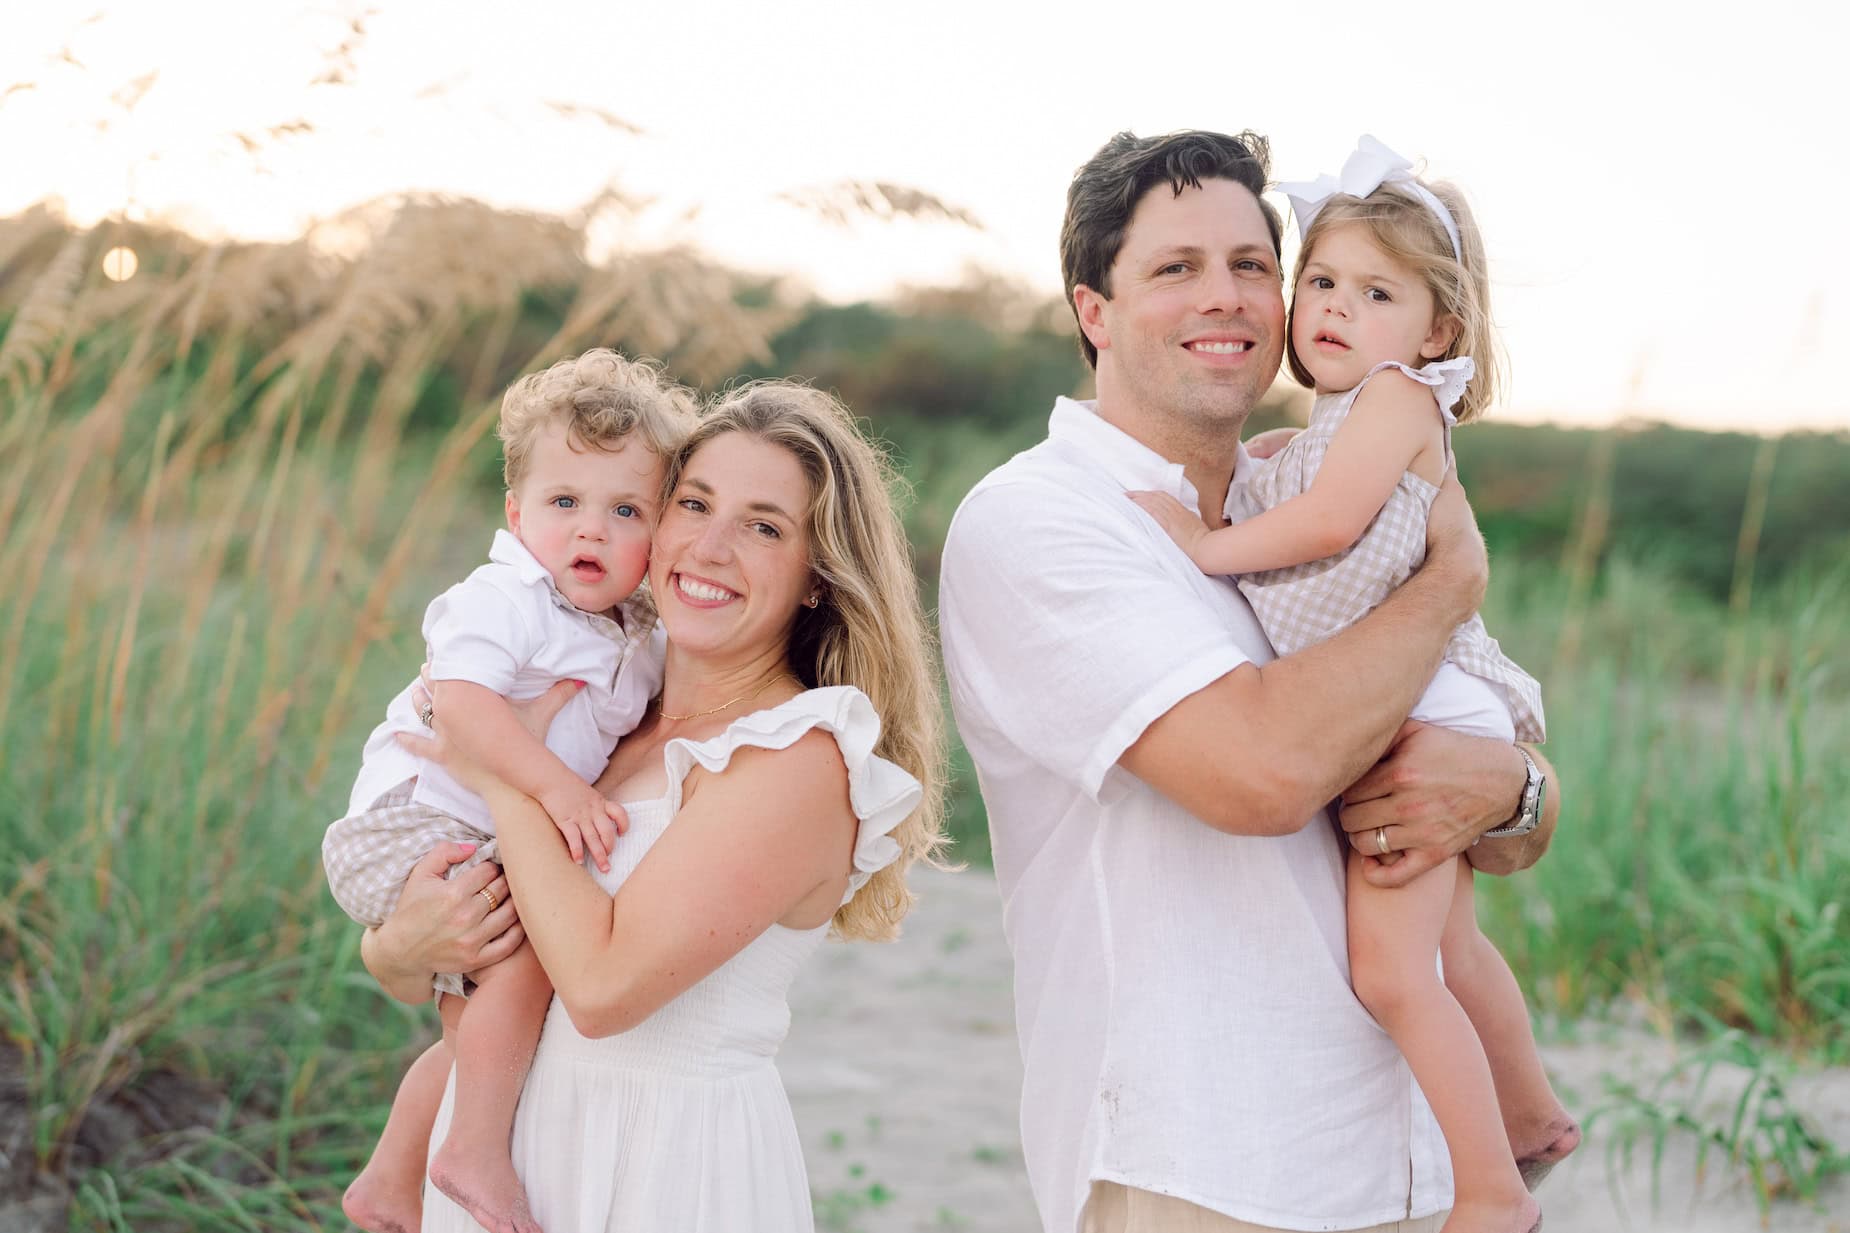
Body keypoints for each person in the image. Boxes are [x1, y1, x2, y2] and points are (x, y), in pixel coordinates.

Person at [938, 129, 1574, 1233]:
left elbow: (1485, 817)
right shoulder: (1041, 521)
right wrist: (1446, 586)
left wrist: (1516, 787)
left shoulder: (1322, 498)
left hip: (1398, 1160)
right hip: (1211, 1163)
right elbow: (1263, 774)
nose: (1225, 298)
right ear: (1093, 313)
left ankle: (1517, 1129)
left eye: (1250, 266)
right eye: (1174, 268)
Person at [366, 380, 947, 1233]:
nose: (709, 547)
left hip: (660, 1165)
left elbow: (600, 990)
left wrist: (498, 772)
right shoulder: (606, 698)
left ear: (818, 575)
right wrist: (395, 949)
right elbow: (442, 963)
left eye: (763, 526)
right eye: (694, 504)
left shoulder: (799, 757)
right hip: (503, 1156)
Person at [1127, 135, 1570, 1233]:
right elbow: (1308, 483)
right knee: (1451, 948)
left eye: (1374, 291)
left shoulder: (1392, 404)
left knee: (1390, 973)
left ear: (1438, 330)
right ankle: (1531, 1118)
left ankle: (1490, 1191)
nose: (1333, 307)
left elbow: (1324, 525)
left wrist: (1198, 543)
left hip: (1419, 711)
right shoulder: (1336, 421)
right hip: (1414, 699)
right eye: (1319, 281)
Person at [324, 349, 694, 1233]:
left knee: (476, 1028)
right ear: (515, 513)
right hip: (411, 825)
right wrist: (559, 790)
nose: (590, 532)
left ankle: (391, 1177)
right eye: (564, 503)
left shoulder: (634, 635)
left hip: (473, 827)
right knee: (529, 959)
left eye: (625, 510)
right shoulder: (506, 597)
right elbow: (460, 711)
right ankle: (473, 1150)